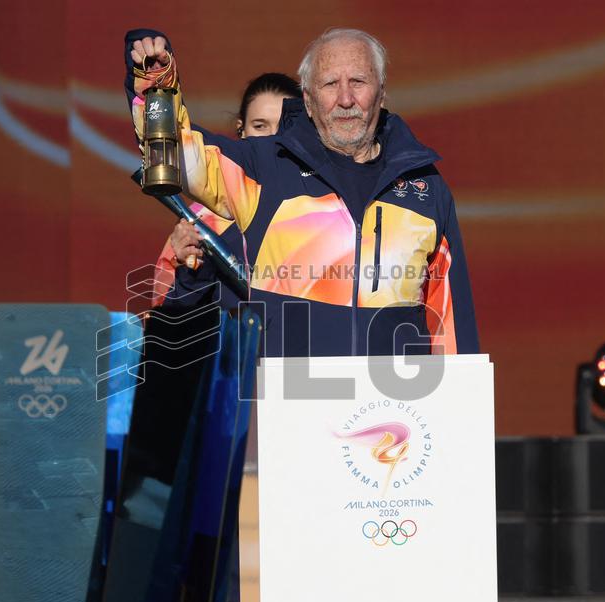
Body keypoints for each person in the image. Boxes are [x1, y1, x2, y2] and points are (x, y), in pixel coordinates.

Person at [127, 27, 480, 357]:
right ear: (308, 101)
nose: (345, 99)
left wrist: (460, 410)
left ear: (382, 93)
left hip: (392, 412)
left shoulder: (424, 187)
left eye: (358, 81)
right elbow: (178, 153)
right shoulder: (266, 168)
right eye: (330, 84)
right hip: (289, 407)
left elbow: (450, 320)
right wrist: (157, 84)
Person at [151, 73, 302, 308]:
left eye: (286, 126)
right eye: (260, 126)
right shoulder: (203, 220)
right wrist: (191, 271)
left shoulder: (330, 206)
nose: (273, 138)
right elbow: (168, 328)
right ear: (241, 130)